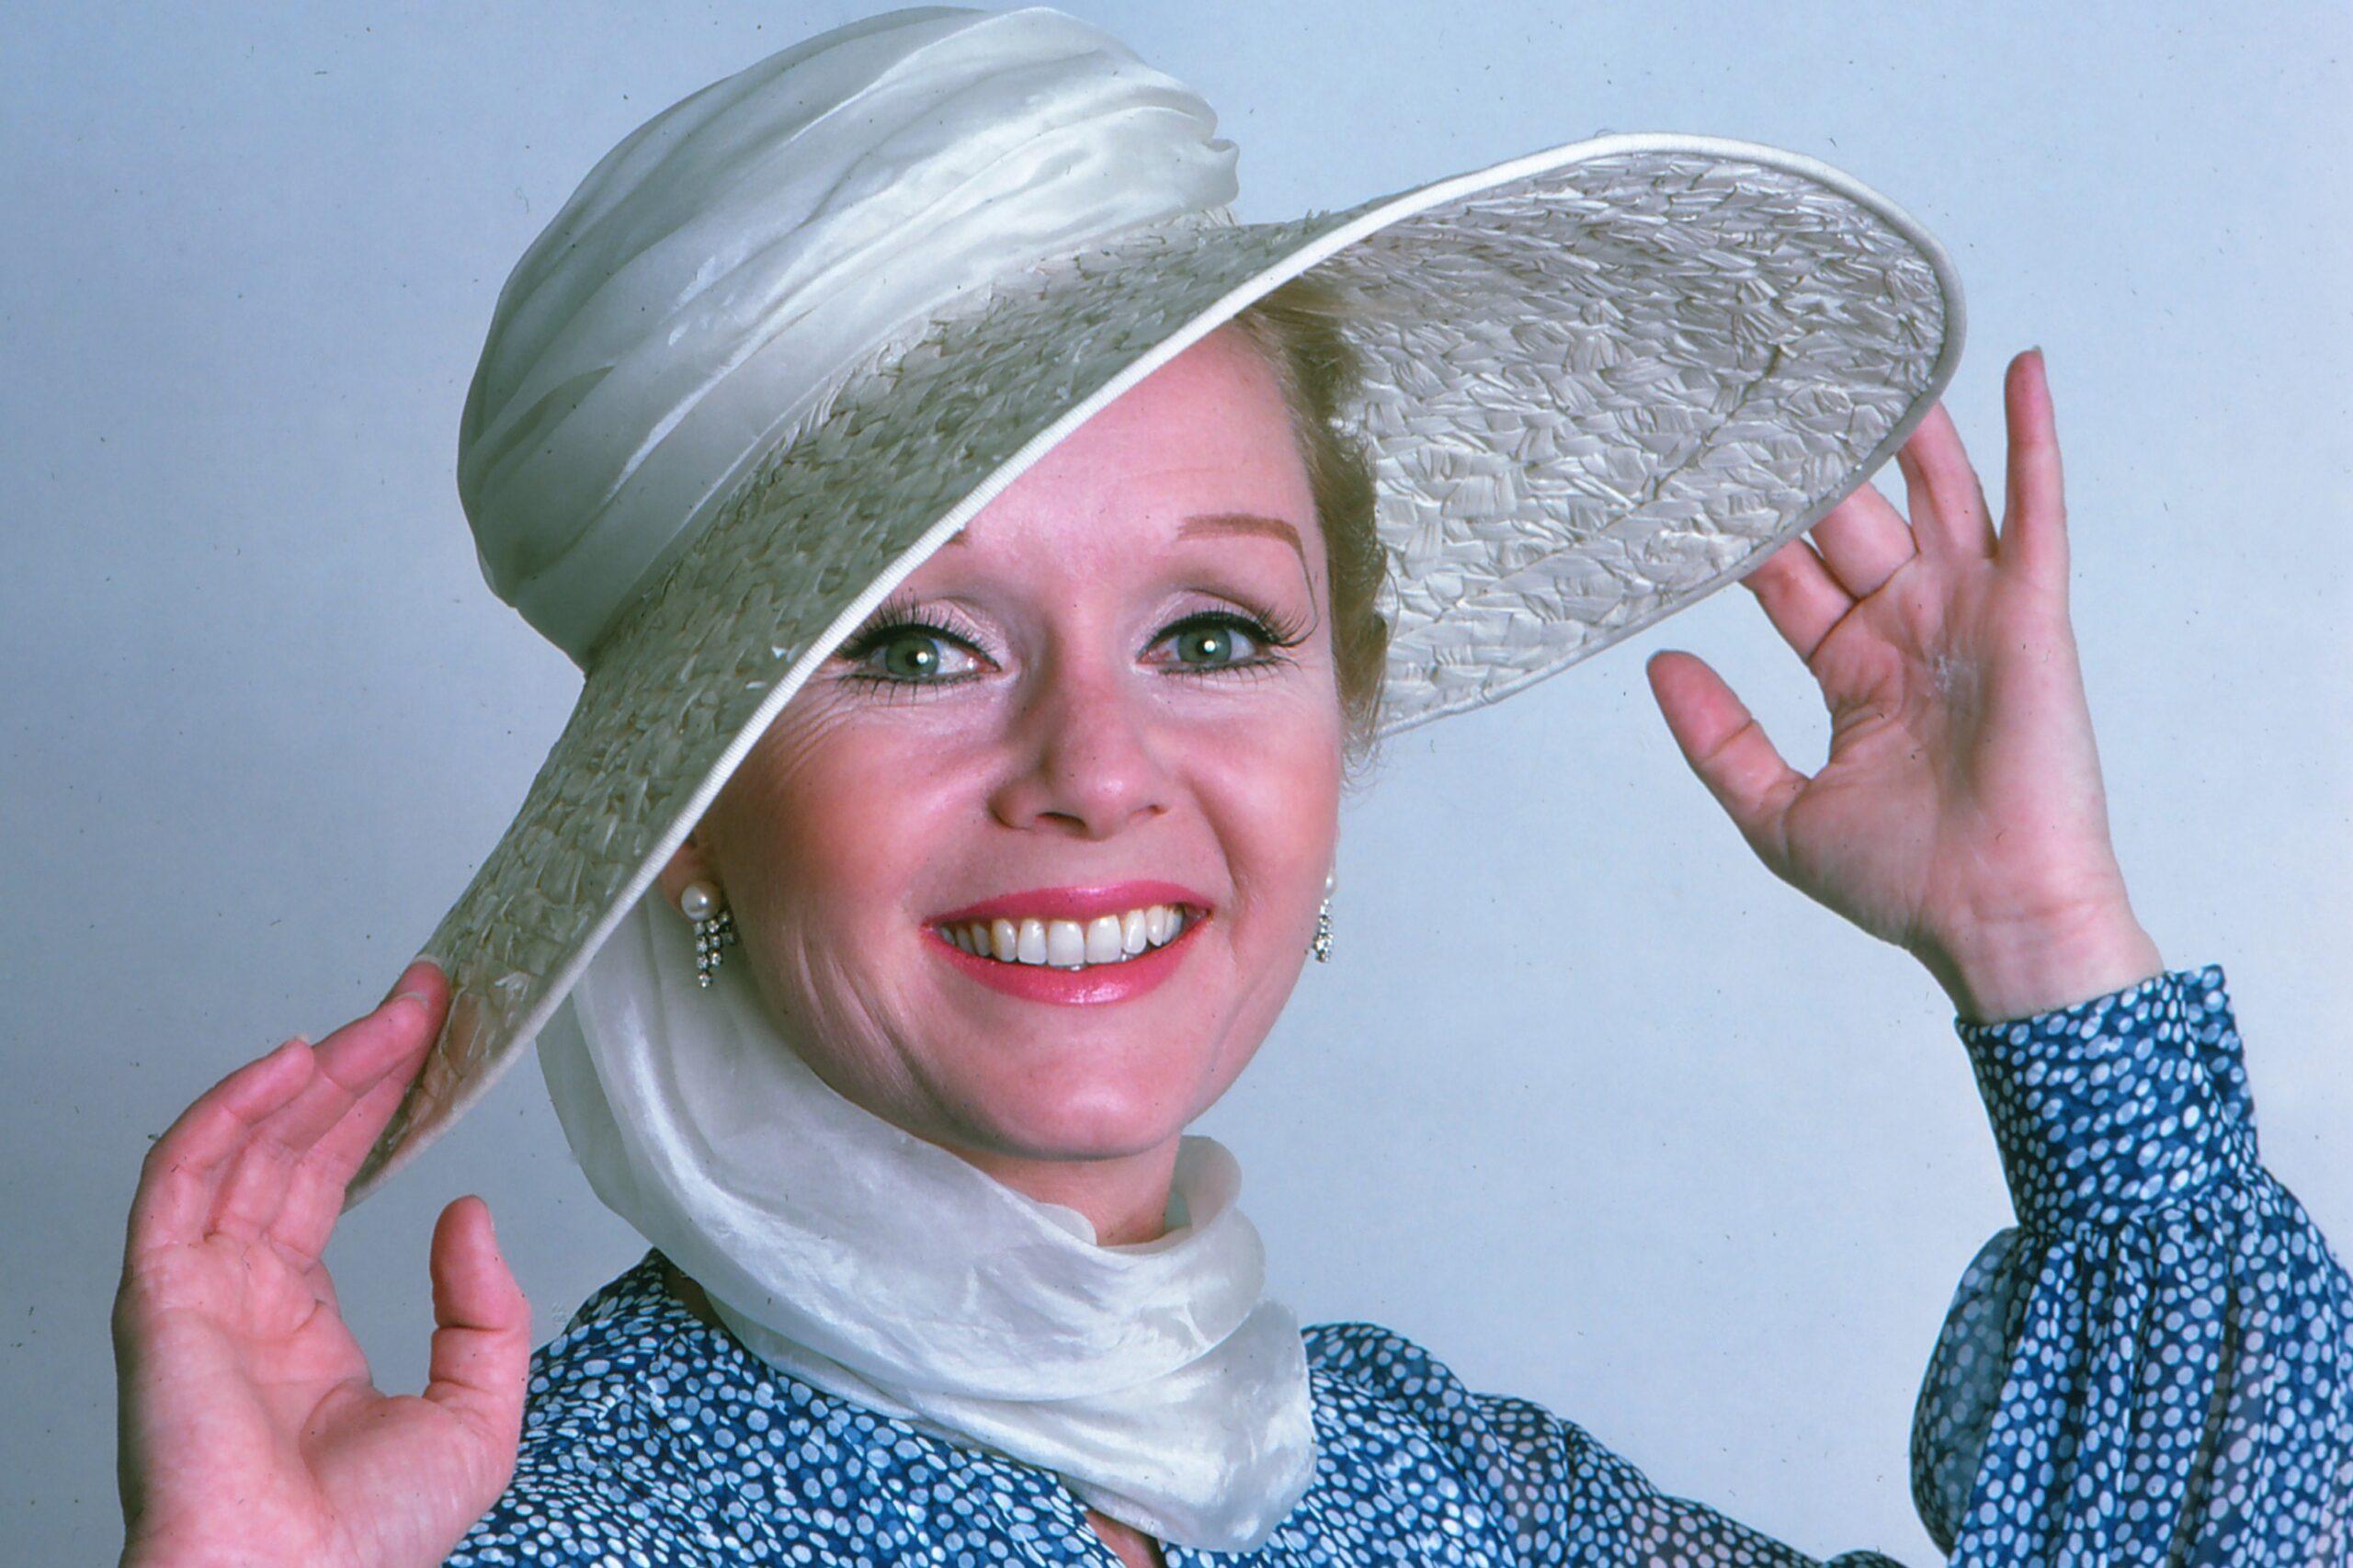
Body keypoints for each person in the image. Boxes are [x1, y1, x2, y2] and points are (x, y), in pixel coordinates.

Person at [111, 8, 2350, 1565]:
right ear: (685, 807)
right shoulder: (509, 1533)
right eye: (912, 643)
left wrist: (2045, 954)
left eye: (1208, 633)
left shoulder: (1431, 1491)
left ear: (1334, 719)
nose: (1097, 772)